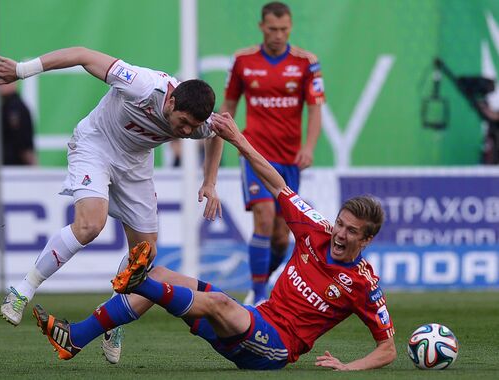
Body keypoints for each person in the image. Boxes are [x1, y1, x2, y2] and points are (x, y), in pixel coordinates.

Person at [33, 112, 396, 371]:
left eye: (351, 231)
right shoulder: (317, 229)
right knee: (161, 273)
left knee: (217, 300)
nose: (340, 234)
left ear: (367, 239)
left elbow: (388, 349)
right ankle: (77, 337)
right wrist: (238, 140)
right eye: (340, 224)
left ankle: (137, 282)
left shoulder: (363, 284)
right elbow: (276, 184)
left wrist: (351, 368)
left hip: (274, 349)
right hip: (254, 320)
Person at [0, 47, 223, 362]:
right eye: (184, 123)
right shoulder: (141, 84)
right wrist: (22, 70)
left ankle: (111, 318)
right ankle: (22, 291)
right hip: (95, 146)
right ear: (171, 101)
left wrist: (210, 181)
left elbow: (217, 132)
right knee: (90, 224)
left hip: (134, 167)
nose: (188, 132)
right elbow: (82, 54)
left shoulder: (197, 122)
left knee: (144, 258)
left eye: (193, 127)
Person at [219, 2, 325, 304]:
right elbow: (229, 105)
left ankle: (259, 283)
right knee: (263, 218)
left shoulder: (306, 62)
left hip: (289, 159)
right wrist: (221, 136)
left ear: (290, 28)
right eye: (272, 29)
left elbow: (315, 109)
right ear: (261, 27)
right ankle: (261, 295)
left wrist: (309, 147)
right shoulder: (242, 61)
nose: (278, 35)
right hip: (254, 152)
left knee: (281, 237)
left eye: (284, 29)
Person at [0, 81, 38, 165]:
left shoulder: (15, 107)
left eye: (2, 80)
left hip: (15, 169)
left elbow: (23, 143)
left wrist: (33, 165)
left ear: (14, 82)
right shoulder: (7, 106)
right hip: (8, 167)